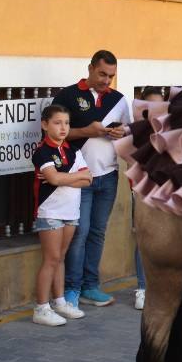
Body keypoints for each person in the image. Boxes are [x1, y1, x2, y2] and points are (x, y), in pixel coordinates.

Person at [54, 51, 132, 309]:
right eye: (102, 74)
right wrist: (86, 132)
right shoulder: (67, 96)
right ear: (90, 68)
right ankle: (72, 288)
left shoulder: (119, 100)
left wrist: (121, 132)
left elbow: (129, 137)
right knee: (79, 232)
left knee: (97, 233)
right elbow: (56, 135)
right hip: (80, 177)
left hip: (108, 176)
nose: (106, 80)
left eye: (111, 76)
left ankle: (91, 285)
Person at [31, 105, 91, 327]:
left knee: (60, 257)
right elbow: (53, 180)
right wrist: (74, 176)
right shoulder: (42, 151)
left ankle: (59, 301)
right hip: (51, 212)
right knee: (51, 259)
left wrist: (63, 177)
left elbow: (89, 179)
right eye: (57, 122)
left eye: (66, 123)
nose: (63, 127)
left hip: (70, 211)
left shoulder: (74, 150)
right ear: (45, 125)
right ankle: (41, 307)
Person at [131, 87, 165, 311]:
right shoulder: (136, 132)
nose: (156, 110)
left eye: (160, 106)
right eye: (151, 105)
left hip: (166, 193)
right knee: (143, 240)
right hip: (142, 192)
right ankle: (142, 289)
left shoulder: (170, 129)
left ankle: (161, 287)